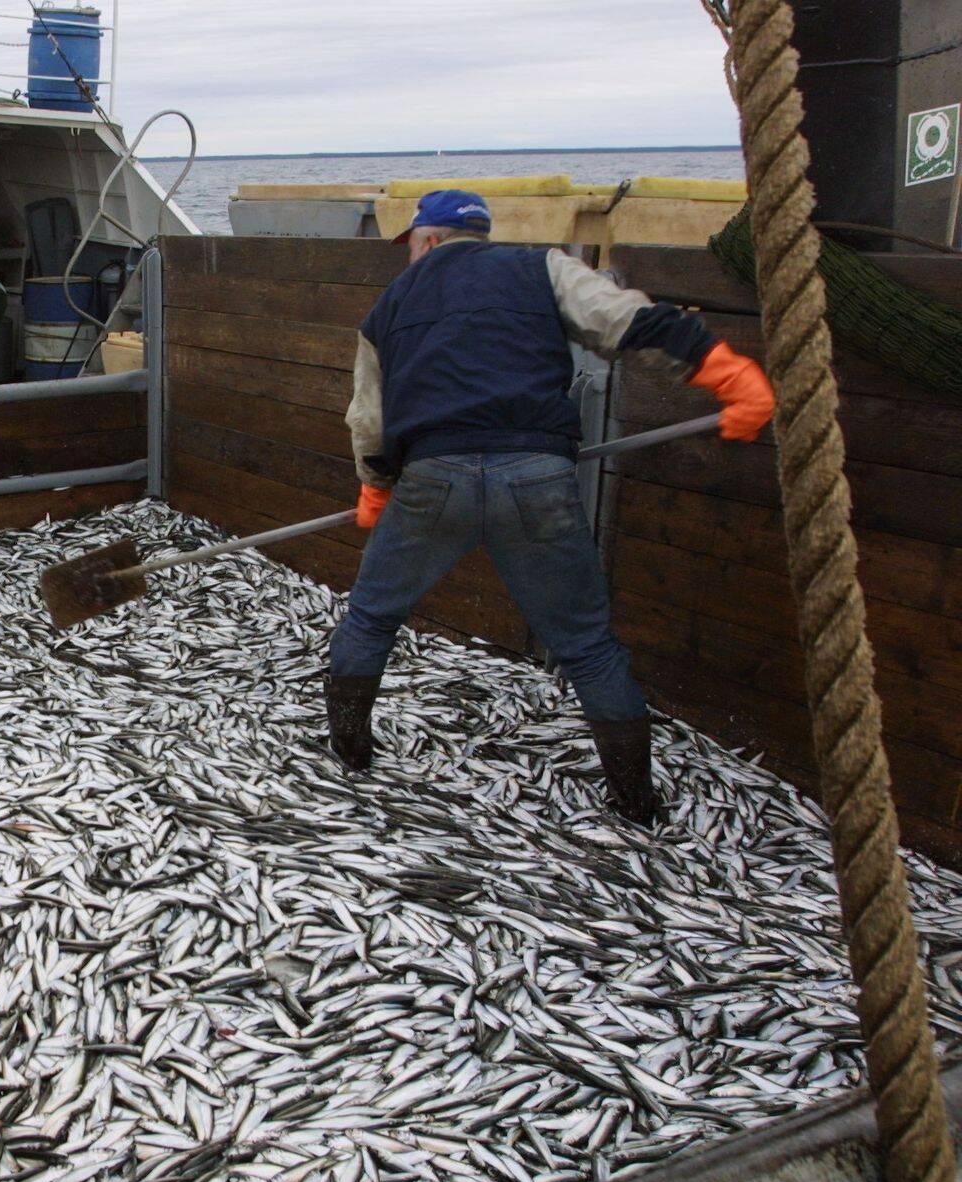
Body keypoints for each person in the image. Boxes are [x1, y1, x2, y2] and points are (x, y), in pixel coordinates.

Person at [328, 189, 776, 827]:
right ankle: (636, 802)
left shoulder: (387, 308)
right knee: (588, 646)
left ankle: (348, 754)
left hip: (434, 479)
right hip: (536, 477)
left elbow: (368, 419)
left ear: (426, 240)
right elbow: (625, 320)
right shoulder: (540, 267)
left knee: (372, 617)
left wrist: (375, 486)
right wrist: (722, 371)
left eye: (411, 246)